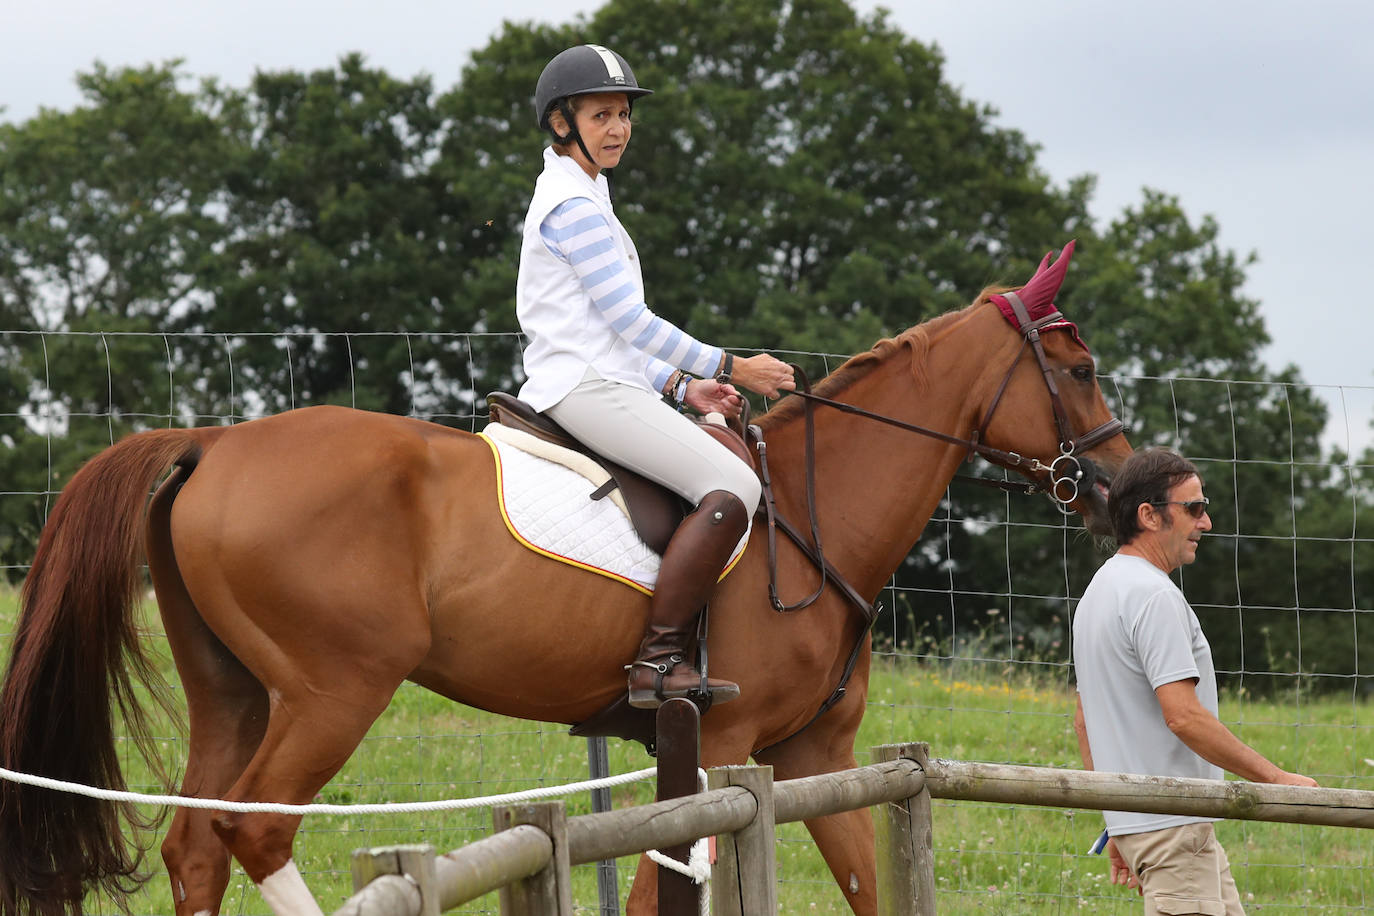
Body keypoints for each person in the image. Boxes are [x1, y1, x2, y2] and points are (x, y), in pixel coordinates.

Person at [516, 44, 795, 709]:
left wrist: (682, 387)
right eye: (601, 115)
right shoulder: (573, 206)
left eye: (623, 115)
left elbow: (609, 330)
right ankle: (657, 660)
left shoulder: (588, 192)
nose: (618, 129)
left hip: (599, 375)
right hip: (582, 386)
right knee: (734, 482)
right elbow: (631, 320)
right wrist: (732, 366)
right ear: (562, 123)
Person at [1073, 447, 1317, 915]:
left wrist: (1118, 822)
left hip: (1160, 829)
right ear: (1149, 515)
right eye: (1194, 508)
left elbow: (1086, 720)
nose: (1205, 522)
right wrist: (1276, 779)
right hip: (1175, 832)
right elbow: (1183, 717)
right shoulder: (1152, 595)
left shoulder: (1099, 591)